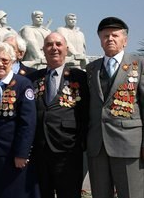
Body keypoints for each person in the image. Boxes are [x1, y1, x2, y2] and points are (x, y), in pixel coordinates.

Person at [85, 17, 144, 198]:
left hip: (129, 144)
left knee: (131, 194)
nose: (110, 39)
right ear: (100, 40)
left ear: (125, 40)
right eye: (105, 36)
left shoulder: (139, 64)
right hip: (97, 146)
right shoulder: (91, 69)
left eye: (115, 35)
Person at [27, 32, 89, 198]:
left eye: (58, 44)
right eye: (49, 45)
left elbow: (86, 112)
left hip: (68, 151)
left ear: (66, 49)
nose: (54, 48)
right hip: (39, 150)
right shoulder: (32, 78)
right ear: (43, 50)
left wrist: (81, 143)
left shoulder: (80, 77)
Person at [0, 42, 38, 198]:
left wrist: (22, 153)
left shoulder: (23, 85)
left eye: (5, 60)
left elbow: (28, 123)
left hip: (12, 156)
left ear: (12, 61)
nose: (0, 64)